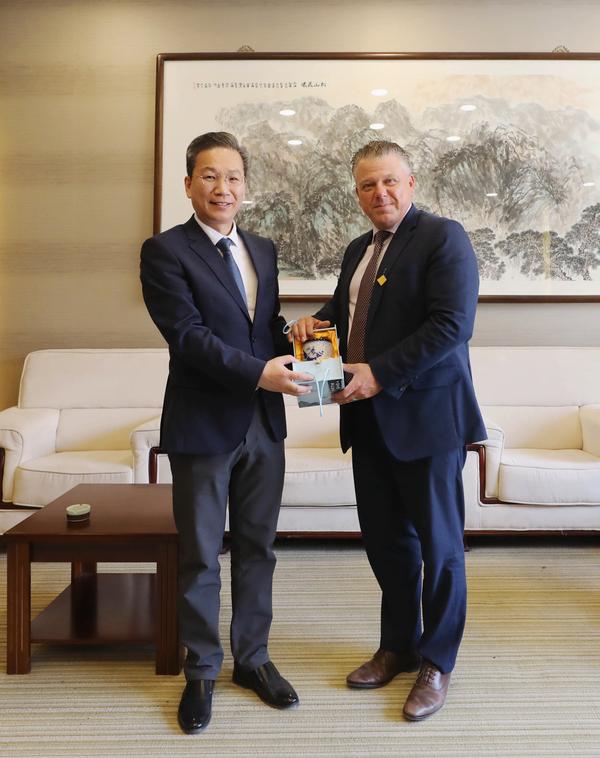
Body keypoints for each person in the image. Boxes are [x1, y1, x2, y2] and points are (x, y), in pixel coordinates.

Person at [291, 140, 486, 721]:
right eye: (368, 185)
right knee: (387, 544)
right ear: (357, 193)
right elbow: (348, 314)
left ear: (411, 183)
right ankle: (398, 646)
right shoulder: (360, 248)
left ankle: (437, 662)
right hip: (367, 417)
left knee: (440, 549)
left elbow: (452, 325)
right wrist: (312, 323)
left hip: (426, 419)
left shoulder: (444, 237)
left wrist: (378, 374)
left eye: (390, 181)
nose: (380, 193)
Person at [140, 132, 311, 734]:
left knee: (259, 547)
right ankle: (202, 669)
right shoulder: (164, 251)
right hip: (203, 422)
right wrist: (260, 373)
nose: (223, 188)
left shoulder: (261, 248)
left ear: (245, 186)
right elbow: (187, 336)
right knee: (200, 553)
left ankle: (253, 659)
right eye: (210, 176)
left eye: (233, 176)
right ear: (189, 183)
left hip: (263, 422)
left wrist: (297, 336)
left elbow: (261, 325)